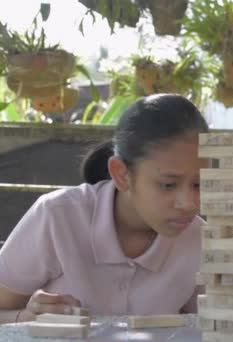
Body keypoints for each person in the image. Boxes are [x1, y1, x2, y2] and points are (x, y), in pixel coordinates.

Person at [0, 94, 209, 323]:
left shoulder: (200, 238)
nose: (189, 203)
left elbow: (216, 324)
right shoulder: (57, 216)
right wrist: (26, 318)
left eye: (199, 184)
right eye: (168, 185)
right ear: (121, 174)